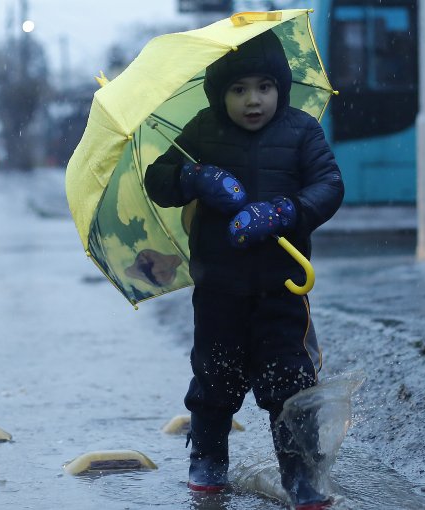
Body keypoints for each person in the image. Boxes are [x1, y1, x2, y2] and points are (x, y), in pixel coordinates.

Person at [143, 29, 343, 509]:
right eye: (238, 90)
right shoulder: (202, 131)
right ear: (220, 95)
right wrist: (194, 175)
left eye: (264, 87)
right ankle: (208, 462)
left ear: (281, 88)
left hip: (282, 286)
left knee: (289, 384)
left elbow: (329, 185)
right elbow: (159, 181)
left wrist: (284, 212)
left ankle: (302, 474)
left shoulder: (300, 131)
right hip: (218, 288)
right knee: (214, 378)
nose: (253, 100)